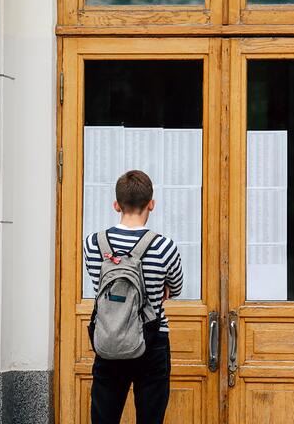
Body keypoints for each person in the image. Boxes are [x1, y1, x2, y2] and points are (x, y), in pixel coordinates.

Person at [83, 170, 183, 424]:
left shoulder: (93, 243)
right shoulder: (164, 246)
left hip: (108, 339)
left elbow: (99, 283)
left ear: (116, 205)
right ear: (151, 204)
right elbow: (176, 288)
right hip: (152, 340)